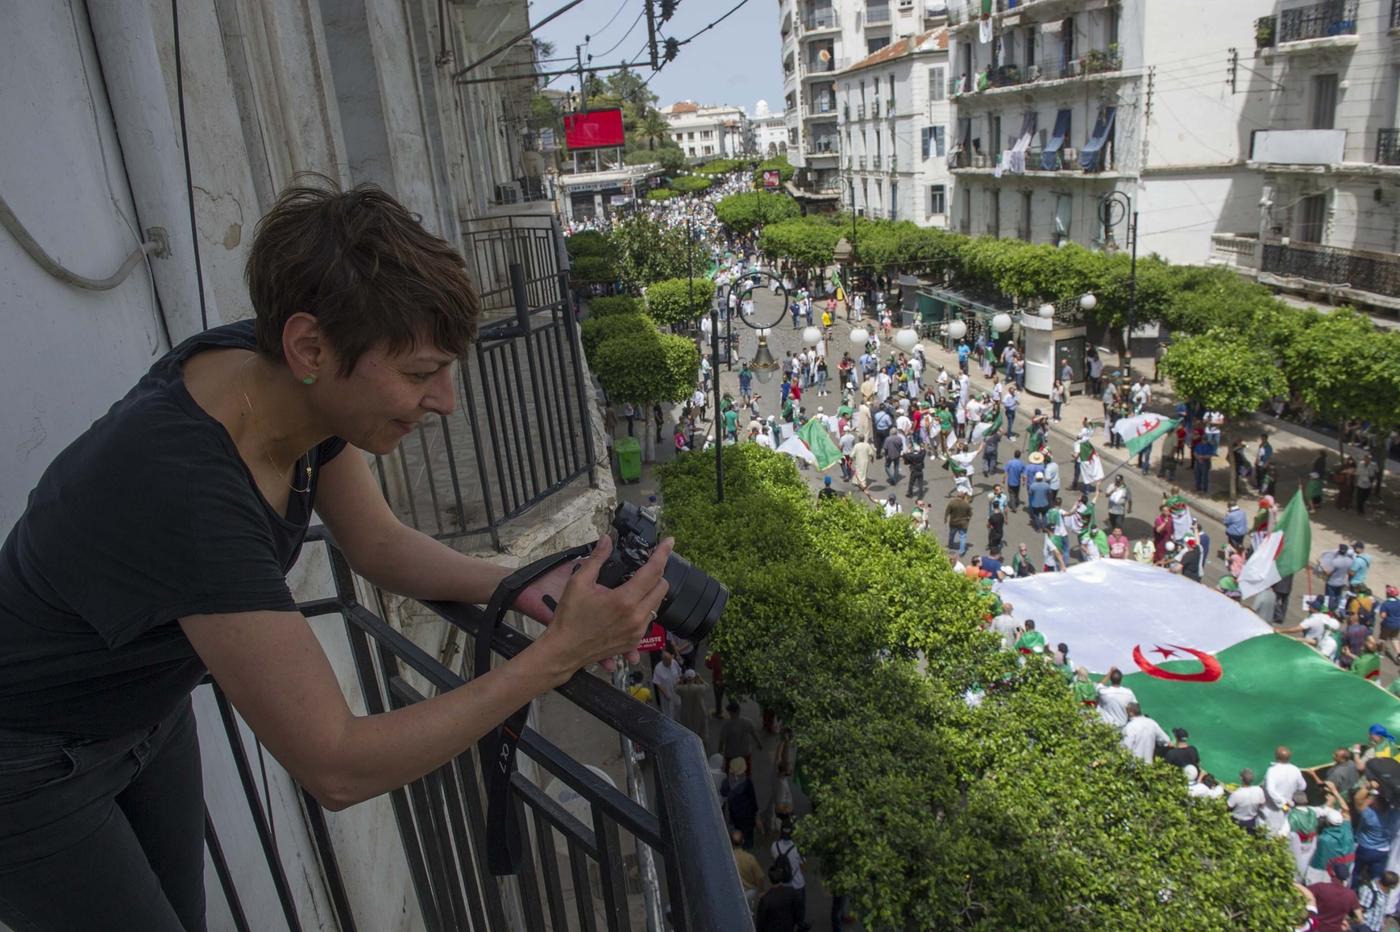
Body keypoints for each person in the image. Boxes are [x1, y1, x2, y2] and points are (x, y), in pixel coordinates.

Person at [0, 182, 676, 931]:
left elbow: (377, 544)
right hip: (27, 763)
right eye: (421, 373)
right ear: (310, 346)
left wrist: (519, 586)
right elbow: (337, 764)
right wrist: (553, 657)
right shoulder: (188, 486)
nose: (445, 400)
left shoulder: (282, 383)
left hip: (142, 715)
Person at [770, 821, 807, 929]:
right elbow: (804, 867)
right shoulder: (798, 848)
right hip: (797, 886)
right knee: (800, 911)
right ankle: (801, 926)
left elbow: (775, 861)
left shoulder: (774, 846)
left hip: (782, 886)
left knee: (786, 913)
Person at [1264, 747, 1307, 835]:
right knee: (1285, 830)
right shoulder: (1295, 769)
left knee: (1270, 831)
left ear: (1276, 756)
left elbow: (1270, 790)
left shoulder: (1272, 771)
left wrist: (1283, 804)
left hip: (1273, 808)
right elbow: (1303, 786)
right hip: (1289, 806)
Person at [719, 700, 765, 779]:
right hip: (745, 752)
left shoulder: (727, 726)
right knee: (748, 772)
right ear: (739, 711)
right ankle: (747, 782)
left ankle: (727, 782)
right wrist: (759, 744)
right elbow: (754, 734)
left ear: (730, 712)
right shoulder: (748, 722)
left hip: (731, 754)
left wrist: (719, 751)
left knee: (727, 772)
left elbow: (722, 741)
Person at [721, 759, 759, 850]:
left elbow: (723, 792)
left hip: (735, 815)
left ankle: (738, 849)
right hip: (748, 816)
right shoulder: (747, 782)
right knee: (748, 837)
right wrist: (756, 814)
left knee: (738, 832)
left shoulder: (727, 782)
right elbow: (752, 799)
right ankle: (747, 850)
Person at [755, 861, 803, 932]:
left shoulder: (766, 899)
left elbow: (760, 922)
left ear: (770, 879)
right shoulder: (791, 892)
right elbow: (798, 911)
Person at [731, 829, 766, 913]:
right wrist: (761, 891)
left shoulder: (727, 857)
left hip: (733, 891)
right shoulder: (749, 858)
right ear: (743, 841)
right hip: (749, 892)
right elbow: (760, 876)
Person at [676, 668, 710, 741]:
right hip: (699, 712)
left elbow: (675, 687)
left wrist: (681, 680)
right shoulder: (699, 688)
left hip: (686, 713)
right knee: (701, 731)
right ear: (694, 677)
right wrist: (700, 679)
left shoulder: (682, 689)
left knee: (688, 730)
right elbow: (707, 686)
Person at [944, 491, 972, 557]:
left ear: (957, 496)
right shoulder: (966, 504)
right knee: (962, 537)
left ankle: (950, 545)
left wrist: (945, 519)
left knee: (952, 535)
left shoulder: (952, 503)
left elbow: (947, 511)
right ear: (963, 497)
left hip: (953, 523)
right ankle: (961, 551)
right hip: (963, 523)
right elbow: (970, 514)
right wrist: (967, 519)